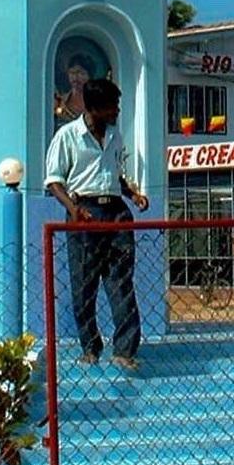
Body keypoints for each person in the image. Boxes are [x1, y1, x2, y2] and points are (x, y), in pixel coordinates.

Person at [44, 77, 149, 369]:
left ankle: (125, 350)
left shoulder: (115, 135)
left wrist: (132, 194)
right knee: (84, 282)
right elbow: (54, 181)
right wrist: (74, 209)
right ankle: (90, 347)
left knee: (121, 281)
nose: (116, 110)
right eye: (111, 106)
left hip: (115, 211)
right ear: (93, 108)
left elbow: (114, 173)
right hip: (84, 210)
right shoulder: (67, 136)